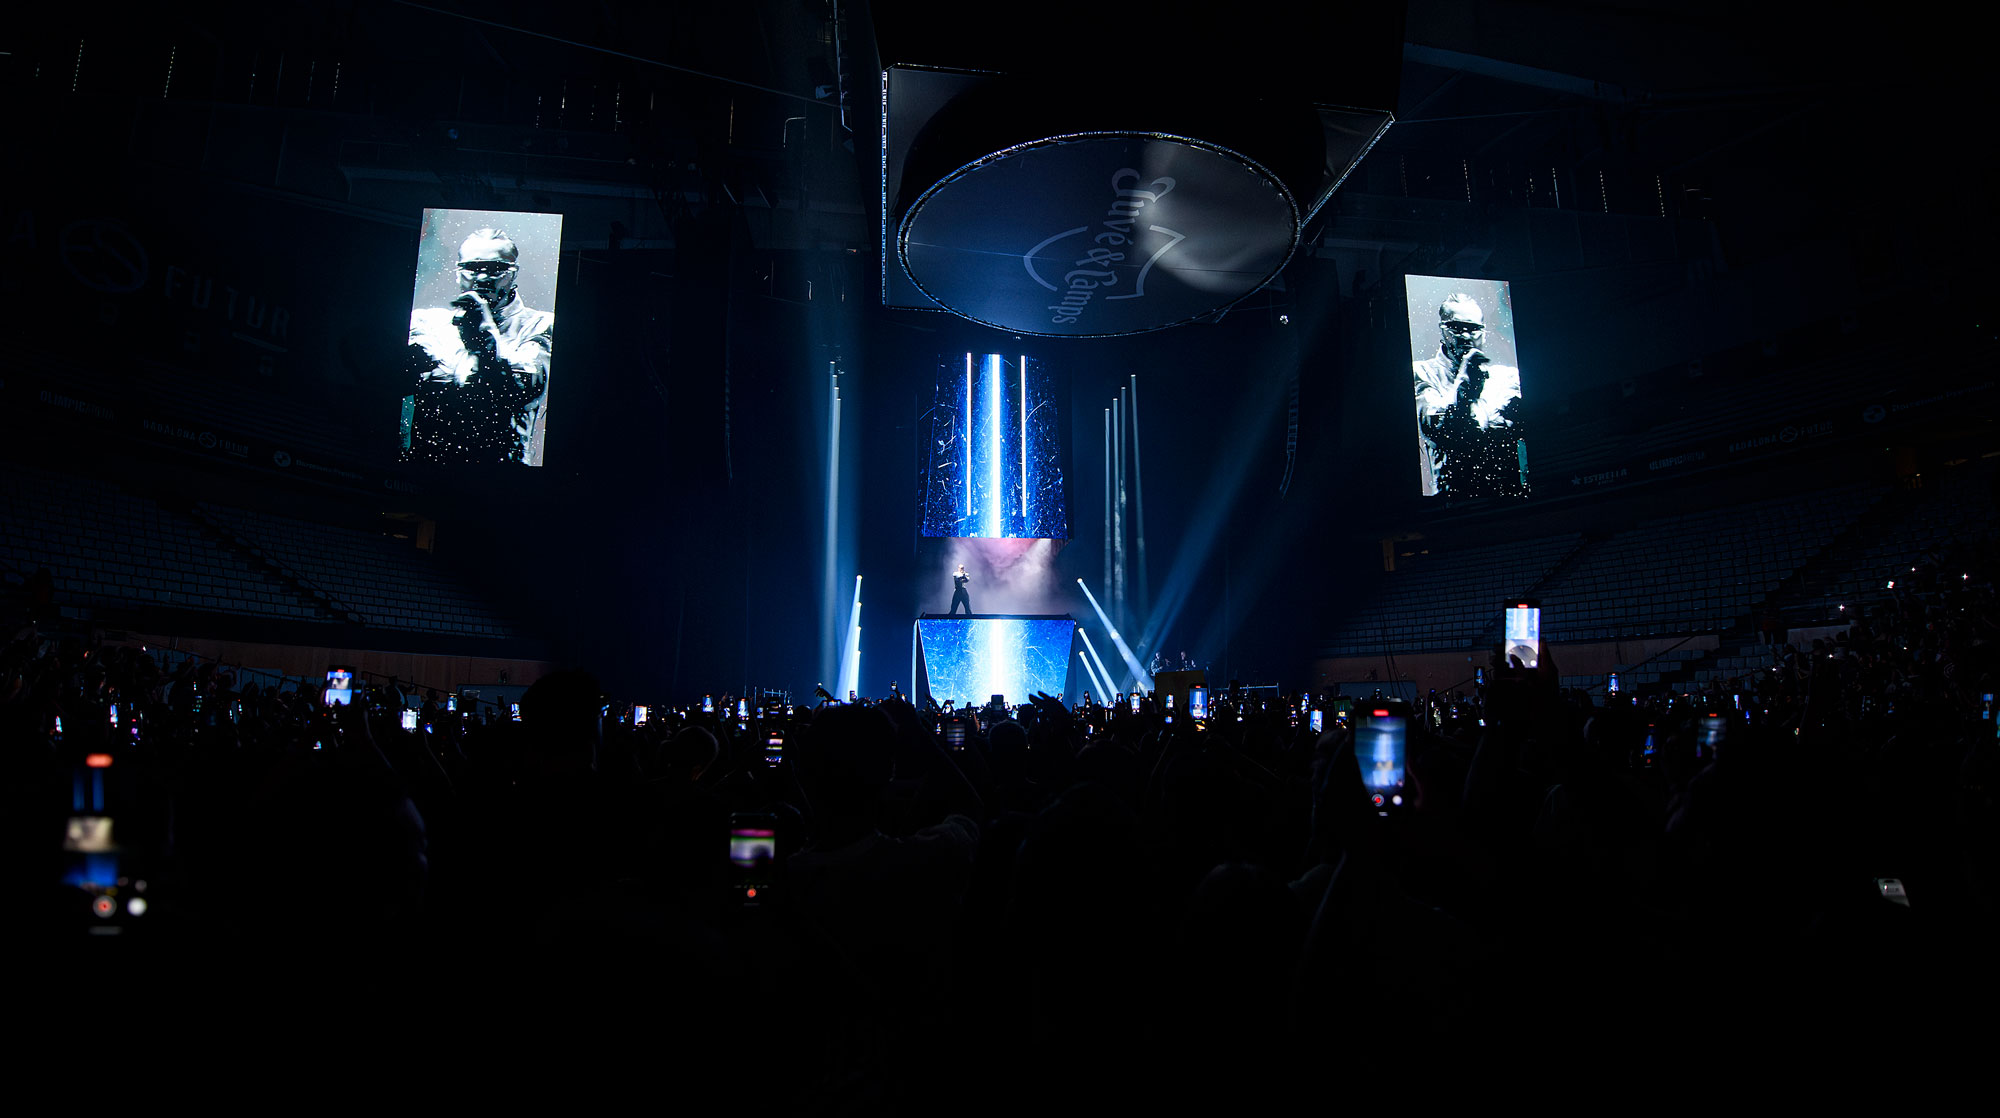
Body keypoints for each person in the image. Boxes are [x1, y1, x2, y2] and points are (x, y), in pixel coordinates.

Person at [404, 228, 556, 465]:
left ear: (514, 273)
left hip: (500, 472)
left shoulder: (541, 326)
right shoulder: (426, 324)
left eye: (496, 269)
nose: (483, 277)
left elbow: (525, 390)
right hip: (426, 466)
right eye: (473, 268)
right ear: (458, 272)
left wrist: (485, 341)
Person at [1413, 293, 1524, 498]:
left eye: (1472, 328)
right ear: (1442, 330)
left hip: (1508, 496)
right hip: (1453, 502)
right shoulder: (1422, 373)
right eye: (1456, 328)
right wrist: (1465, 386)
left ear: (1484, 332)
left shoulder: (1508, 378)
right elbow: (1439, 430)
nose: (1465, 335)